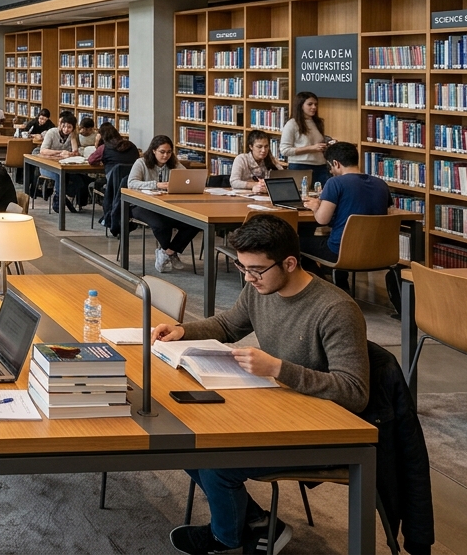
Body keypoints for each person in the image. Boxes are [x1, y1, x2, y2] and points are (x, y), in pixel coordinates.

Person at [154, 214, 368, 555]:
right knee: (181, 438)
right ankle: (255, 522)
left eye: (256, 270)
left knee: (215, 461)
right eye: (242, 268)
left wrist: (280, 369)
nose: (249, 278)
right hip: (277, 406)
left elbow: (355, 392)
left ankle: (226, 537)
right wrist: (184, 331)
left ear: (290, 262)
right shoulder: (262, 289)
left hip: (321, 427)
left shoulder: (336, 310)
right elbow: (228, 325)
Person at [301, 141, 392, 294]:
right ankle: (340, 284)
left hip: (340, 251)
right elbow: (386, 214)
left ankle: (323, 291)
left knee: (296, 242)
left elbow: (322, 220)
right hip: (377, 252)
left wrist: (317, 206)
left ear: (336, 163)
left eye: (329, 166)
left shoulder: (335, 183)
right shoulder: (381, 184)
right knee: (338, 234)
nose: (330, 171)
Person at [128, 135, 201, 273]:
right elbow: (131, 183)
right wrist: (156, 185)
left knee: (194, 223)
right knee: (161, 225)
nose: (166, 155)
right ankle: (169, 252)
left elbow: (187, 179)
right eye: (162, 152)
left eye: (169, 152)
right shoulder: (141, 163)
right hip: (141, 205)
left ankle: (167, 252)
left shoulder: (174, 164)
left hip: (166, 205)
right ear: (154, 150)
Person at [281, 91, 330, 190]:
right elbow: (284, 150)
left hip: (321, 166)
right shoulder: (292, 124)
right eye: (310, 104)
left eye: (316, 104)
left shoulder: (318, 122)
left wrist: (326, 145)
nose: (314, 107)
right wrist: (311, 148)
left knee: (321, 196)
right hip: (300, 167)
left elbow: (317, 143)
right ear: (300, 106)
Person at [36, 113, 83, 212]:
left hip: (64, 166)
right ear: (60, 125)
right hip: (47, 166)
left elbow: (75, 152)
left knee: (78, 178)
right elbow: (43, 150)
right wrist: (60, 152)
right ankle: (58, 198)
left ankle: (68, 198)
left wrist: (73, 137)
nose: (66, 129)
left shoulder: (73, 135)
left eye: (69, 127)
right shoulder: (51, 133)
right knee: (59, 176)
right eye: (64, 126)